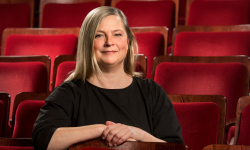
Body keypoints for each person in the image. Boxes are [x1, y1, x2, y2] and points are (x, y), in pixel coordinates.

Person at [32, 6, 184, 150]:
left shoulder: (152, 92)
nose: (109, 42)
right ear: (87, 44)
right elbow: (42, 140)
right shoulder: (68, 92)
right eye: (99, 35)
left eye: (117, 34)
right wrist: (101, 130)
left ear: (128, 41)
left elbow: (176, 148)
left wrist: (136, 133)